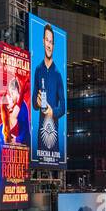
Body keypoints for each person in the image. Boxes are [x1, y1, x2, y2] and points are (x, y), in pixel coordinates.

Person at [33, 23, 66, 158]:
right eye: (47, 40)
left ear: (53, 45)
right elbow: (34, 103)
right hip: (40, 137)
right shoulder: (38, 69)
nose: (49, 44)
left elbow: (63, 107)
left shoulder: (58, 74)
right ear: (43, 41)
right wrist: (37, 101)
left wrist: (53, 112)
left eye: (51, 42)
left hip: (54, 135)